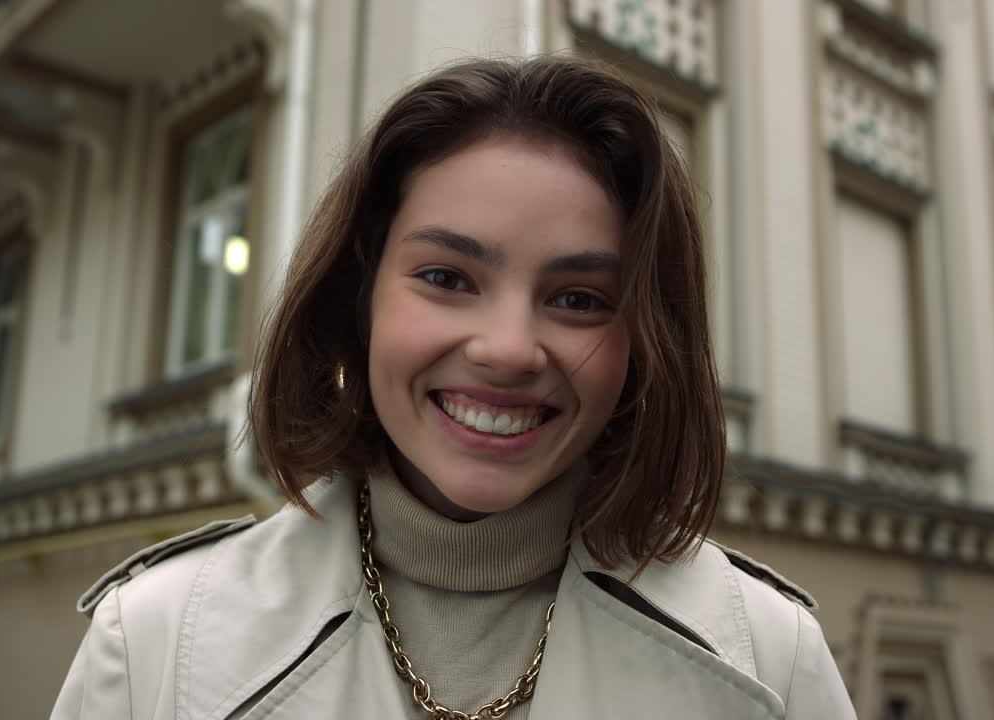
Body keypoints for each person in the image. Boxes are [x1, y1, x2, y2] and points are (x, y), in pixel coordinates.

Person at [51, 55, 857, 719]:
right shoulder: (154, 645)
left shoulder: (770, 660)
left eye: (578, 299)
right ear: (361, 295)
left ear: (644, 343)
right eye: (447, 277)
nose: (508, 351)